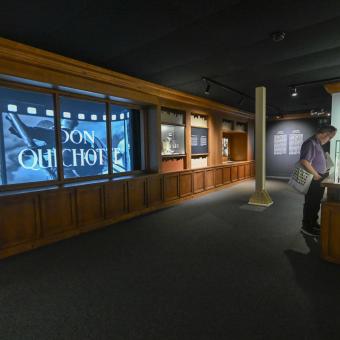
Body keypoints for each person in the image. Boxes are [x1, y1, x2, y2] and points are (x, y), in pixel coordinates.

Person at [299, 125, 337, 237]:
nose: (329, 140)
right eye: (330, 137)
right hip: (314, 179)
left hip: (318, 178)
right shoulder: (310, 143)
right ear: (325, 134)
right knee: (311, 203)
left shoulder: (317, 143)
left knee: (315, 203)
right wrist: (316, 175)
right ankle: (306, 227)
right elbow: (304, 161)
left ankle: (313, 223)